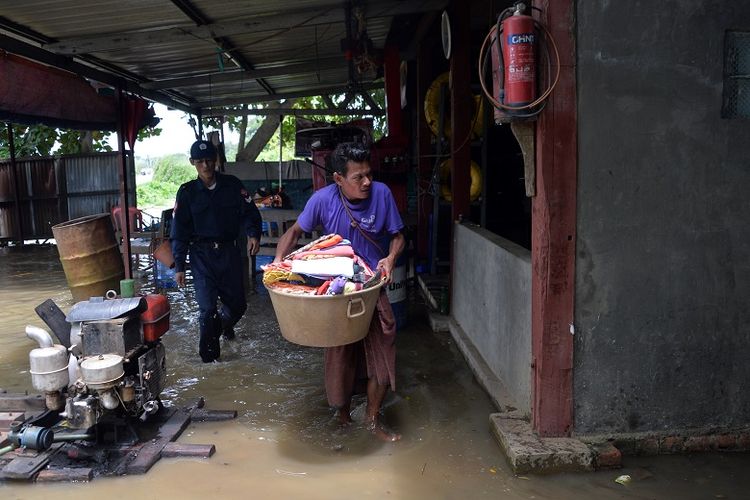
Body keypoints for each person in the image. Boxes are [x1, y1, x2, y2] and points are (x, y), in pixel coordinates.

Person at [274, 142, 405, 441]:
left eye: (368, 174)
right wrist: (278, 265)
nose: (367, 182)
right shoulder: (322, 200)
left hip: (372, 285)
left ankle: (372, 420)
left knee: (385, 345)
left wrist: (390, 258)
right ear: (338, 179)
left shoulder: (382, 194)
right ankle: (343, 416)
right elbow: (294, 233)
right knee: (340, 353)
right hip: (337, 291)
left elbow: (398, 237)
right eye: (358, 177)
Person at [170, 139, 262, 363]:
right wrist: (179, 266)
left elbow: (250, 212)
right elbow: (179, 231)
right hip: (201, 256)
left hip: (229, 253)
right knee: (206, 309)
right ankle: (209, 363)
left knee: (238, 305)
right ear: (192, 163)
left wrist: (253, 234)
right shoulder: (187, 192)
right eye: (200, 161)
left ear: (217, 160)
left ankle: (221, 327)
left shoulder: (232, 185)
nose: (206, 165)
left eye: (209, 160)